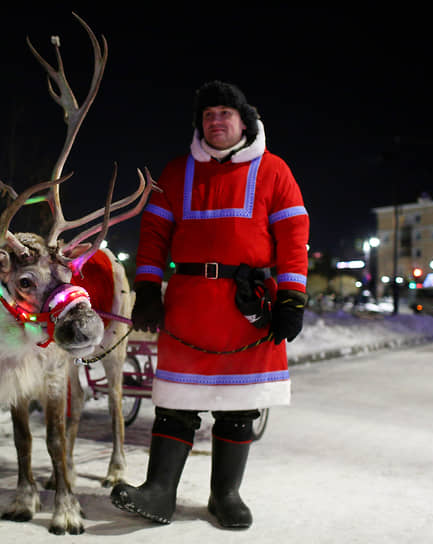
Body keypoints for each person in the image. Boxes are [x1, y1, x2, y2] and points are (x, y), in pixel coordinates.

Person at [110, 81, 309, 529]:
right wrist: (146, 289)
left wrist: (293, 296)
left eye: (225, 114)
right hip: (189, 305)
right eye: (208, 115)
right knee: (176, 403)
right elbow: (155, 235)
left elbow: (294, 238)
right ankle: (159, 492)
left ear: (245, 121)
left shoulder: (274, 171)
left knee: (238, 407)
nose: (216, 121)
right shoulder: (177, 173)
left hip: (248, 306)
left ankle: (226, 495)